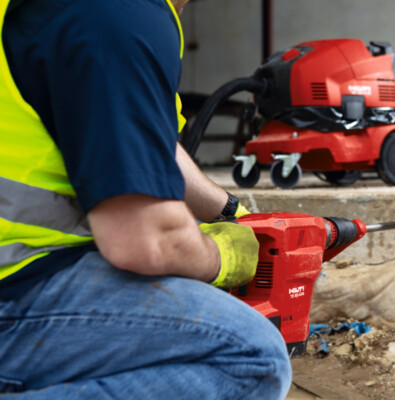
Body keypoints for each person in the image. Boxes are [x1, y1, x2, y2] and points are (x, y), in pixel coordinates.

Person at [0, 0, 292, 398]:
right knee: (251, 358)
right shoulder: (118, 15)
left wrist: (229, 211)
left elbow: (148, 146)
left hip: (19, 267)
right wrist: (224, 257)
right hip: (16, 286)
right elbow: (145, 241)